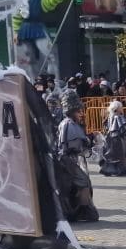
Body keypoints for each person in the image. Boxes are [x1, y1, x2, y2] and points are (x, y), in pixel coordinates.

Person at [11, 0, 84, 79]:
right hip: (24, 30)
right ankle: (29, 81)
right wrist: (16, 31)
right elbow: (17, 16)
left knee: (50, 54)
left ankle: (55, 80)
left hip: (38, 29)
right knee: (26, 59)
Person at [54, 90, 99, 222]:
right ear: (73, 110)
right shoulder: (69, 124)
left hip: (70, 160)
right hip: (68, 161)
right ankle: (82, 211)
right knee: (83, 182)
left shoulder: (70, 123)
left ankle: (79, 210)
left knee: (77, 185)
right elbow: (74, 146)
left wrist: (89, 138)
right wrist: (90, 140)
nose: (81, 114)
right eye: (79, 111)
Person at [99, 100, 126, 176]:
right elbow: (123, 128)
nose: (122, 108)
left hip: (110, 137)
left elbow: (106, 126)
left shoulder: (110, 116)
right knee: (121, 154)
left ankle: (110, 170)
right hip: (118, 138)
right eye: (121, 107)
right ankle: (120, 170)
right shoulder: (118, 117)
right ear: (117, 108)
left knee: (112, 155)